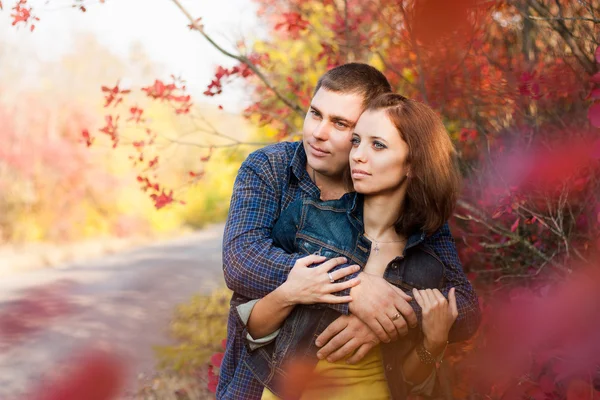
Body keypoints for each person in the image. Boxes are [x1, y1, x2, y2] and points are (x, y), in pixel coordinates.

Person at [218, 64, 481, 400]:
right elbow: (242, 262)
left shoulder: (402, 206)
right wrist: (356, 289)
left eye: (340, 124)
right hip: (259, 386)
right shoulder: (270, 168)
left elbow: (465, 306)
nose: (318, 132)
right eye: (315, 114)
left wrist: (387, 319)